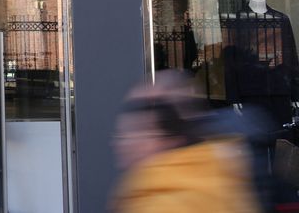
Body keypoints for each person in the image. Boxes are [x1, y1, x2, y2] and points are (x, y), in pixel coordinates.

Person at [110, 72, 262, 212]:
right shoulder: (219, 168)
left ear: (167, 138)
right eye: (120, 136)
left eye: (133, 133)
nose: (119, 144)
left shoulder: (165, 201)